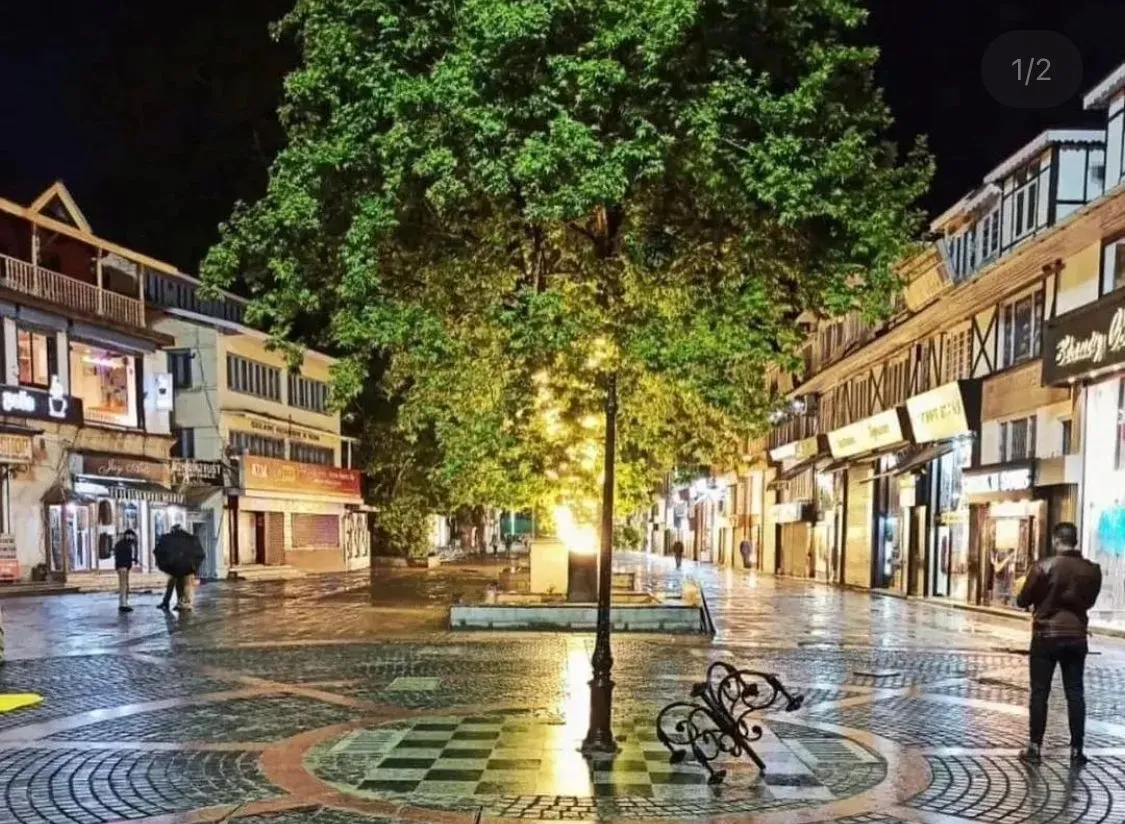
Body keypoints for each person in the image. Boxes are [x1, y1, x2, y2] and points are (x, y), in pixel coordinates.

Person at [1016, 522, 1102, 768]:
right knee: (1075, 693)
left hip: (1045, 636)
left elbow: (1023, 599)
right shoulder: (1092, 570)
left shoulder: (1043, 566)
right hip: (1076, 636)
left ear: (1056, 540)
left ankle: (1035, 747)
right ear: (1075, 541)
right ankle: (1077, 749)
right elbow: (1089, 601)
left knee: (1040, 692)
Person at [113, 529, 138, 613]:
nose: (132, 538)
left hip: (122, 566)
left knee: (124, 585)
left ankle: (124, 603)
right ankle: (123, 604)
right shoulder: (124, 545)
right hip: (123, 567)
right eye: (132, 536)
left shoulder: (121, 544)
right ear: (128, 535)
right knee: (123, 586)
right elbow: (124, 556)